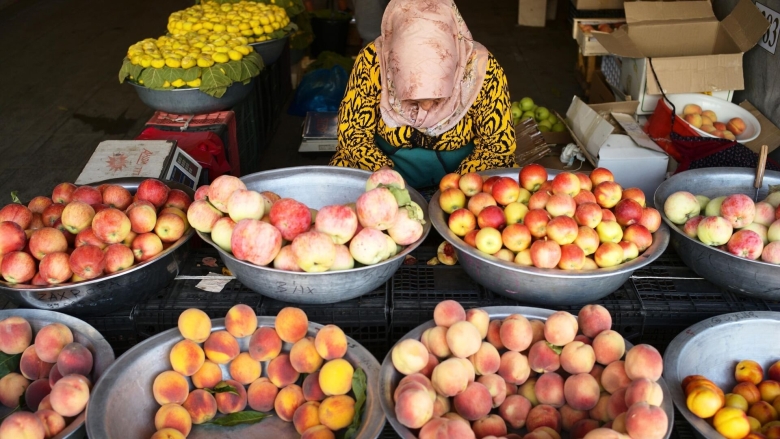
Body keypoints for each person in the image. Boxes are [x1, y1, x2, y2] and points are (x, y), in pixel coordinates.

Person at [329, 0, 517, 189]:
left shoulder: (481, 70)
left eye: (438, 98)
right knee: (340, 187)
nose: (426, 108)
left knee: (499, 189)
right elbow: (353, 135)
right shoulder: (374, 62)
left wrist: (456, 188)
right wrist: (387, 181)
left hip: (463, 181)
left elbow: (497, 147)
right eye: (413, 99)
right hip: (382, 174)